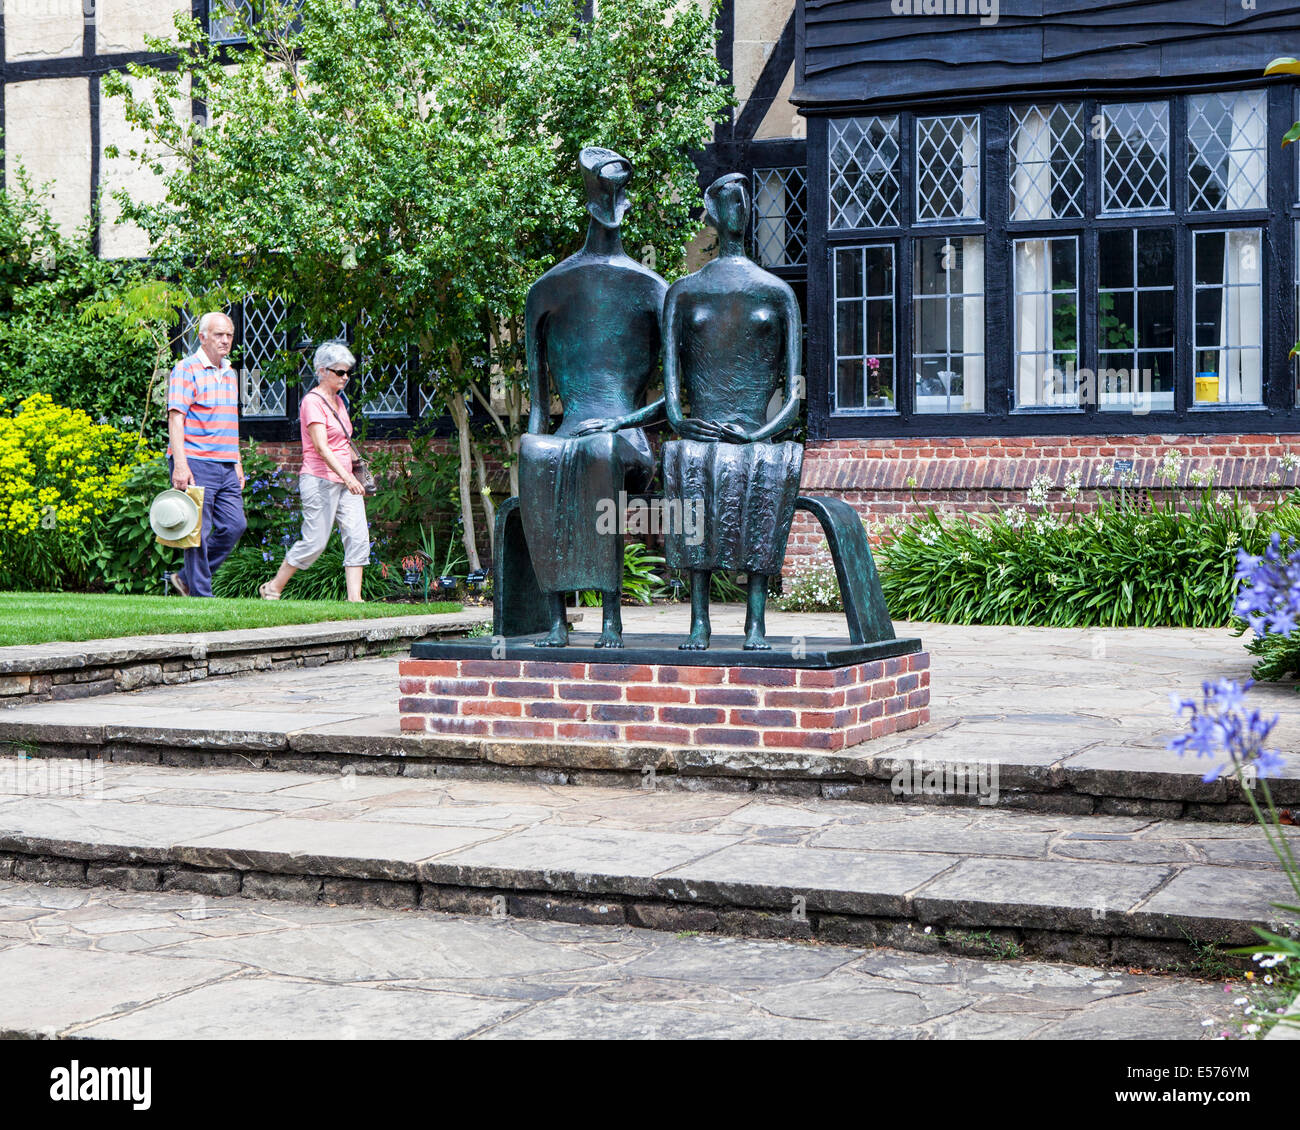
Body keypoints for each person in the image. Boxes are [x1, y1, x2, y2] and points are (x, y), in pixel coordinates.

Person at [517, 146, 667, 648]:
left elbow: (672, 400)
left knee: (599, 452)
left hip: (625, 434)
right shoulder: (548, 289)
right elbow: (540, 407)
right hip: (571, 432)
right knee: (536, 454)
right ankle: (556, 618)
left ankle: (610, 617)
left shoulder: (651, 288)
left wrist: (620, 425)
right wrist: (537, 448)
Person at [660, 172, 804, 651]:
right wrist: (683, 423)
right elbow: (673, 388)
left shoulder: (777, 293)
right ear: (713, 212)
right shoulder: (683, 292)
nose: (736, 211)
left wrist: (762, 433)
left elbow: (796, 391)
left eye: (743, 201)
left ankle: (755, 621)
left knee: (765, 468)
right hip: (701, 432)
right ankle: (699, 619)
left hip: (756, 432)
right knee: (691, 462)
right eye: (727, 202)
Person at [260, 342, 370, 602]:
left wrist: (360, 468)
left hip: (346, 481)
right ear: (322, 371)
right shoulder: (312, 402)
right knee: (315, 542)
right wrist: (348, 478)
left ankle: (355, 600)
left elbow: (344, 441)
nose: (345, 377)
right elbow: (321, 447)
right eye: (340, 372)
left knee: (358, 536)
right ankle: (274, 587)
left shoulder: (340, 402)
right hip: (320, 479)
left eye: (347, 373)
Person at [167, 311, 247, 598]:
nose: (225, 340)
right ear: (202, 337)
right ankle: (202, 595)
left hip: (226, 464)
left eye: (229, 335)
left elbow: (230, 422)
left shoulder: (230, 373)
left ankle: (187, 578)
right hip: (196, 461)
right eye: (219, 335)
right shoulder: (186, 369)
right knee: (198, 531)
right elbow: (176, 418)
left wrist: (237, 462)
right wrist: (180, 465)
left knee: (235, 525)